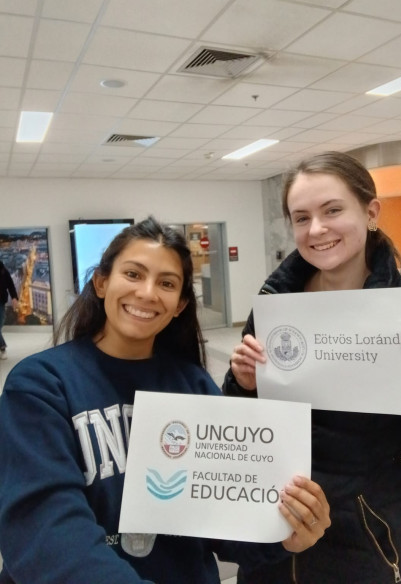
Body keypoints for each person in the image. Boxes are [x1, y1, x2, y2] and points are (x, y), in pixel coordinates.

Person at [0, 216, 330, 584]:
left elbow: (220, 526)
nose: (147, 293)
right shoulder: (41, 385)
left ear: (179, 304)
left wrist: (284, 533)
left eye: (167, 283)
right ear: (101, 282)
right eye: (133, 274)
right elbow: (45, 532)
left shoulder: (192, 384)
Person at [223, 151, 401, 584]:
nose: (317, 230)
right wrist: (242, 385)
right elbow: (242, 432)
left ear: (370, 212)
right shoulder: (275, 309)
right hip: (278, 523)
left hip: (370, 534)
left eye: (332, 210)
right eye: (301, 217)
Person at [0, 260, 18, 360]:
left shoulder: (2, 270)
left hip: (0, 301)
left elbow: (10, 284)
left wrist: (14, 297)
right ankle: (2, 347)